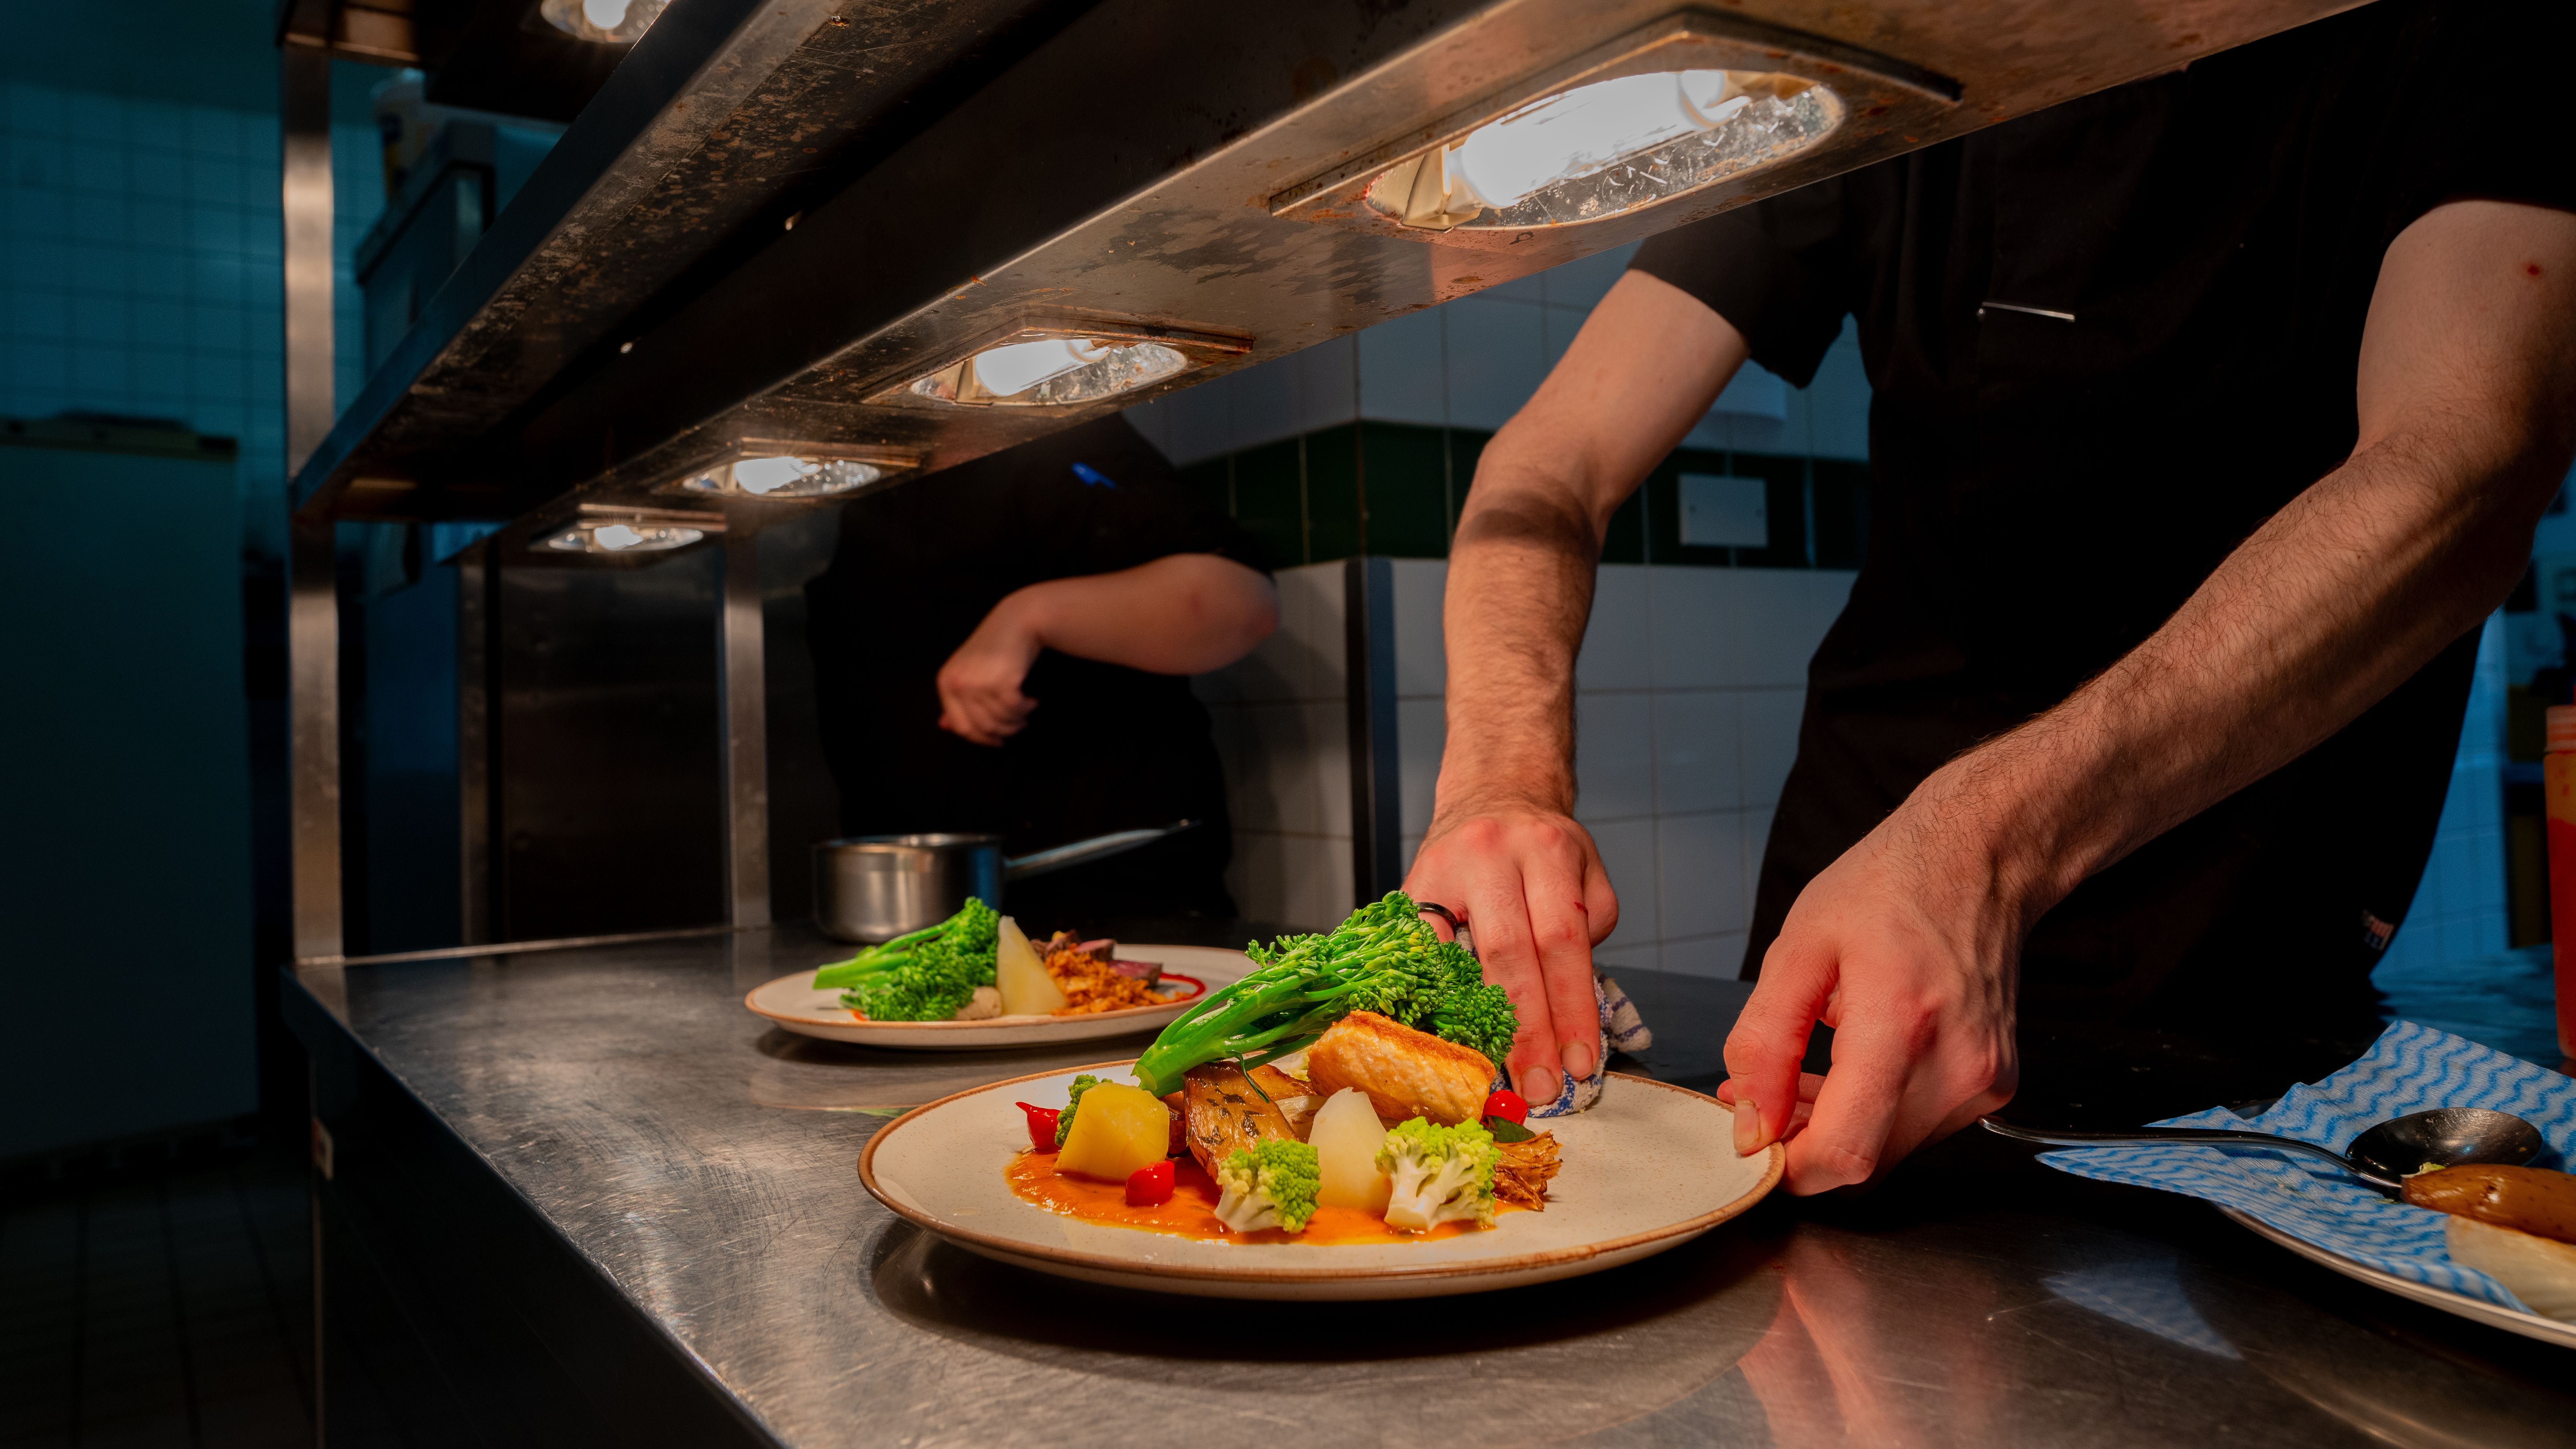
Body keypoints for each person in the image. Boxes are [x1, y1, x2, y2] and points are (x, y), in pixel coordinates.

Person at [1402, 0, 2576, 1194]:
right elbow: (1546, 468)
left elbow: (2463, 466)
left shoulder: (2457, 37)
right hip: (1850, 927)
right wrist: (1501, 775)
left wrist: (1979, 845)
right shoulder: (1877, 76)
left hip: (2231, 966)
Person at [805, 414, 1276, 926]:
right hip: (908, 916)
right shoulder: (862, 491)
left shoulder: (1045, 429)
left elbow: (1242, 604)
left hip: (1108, 909)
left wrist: (1029, 618)